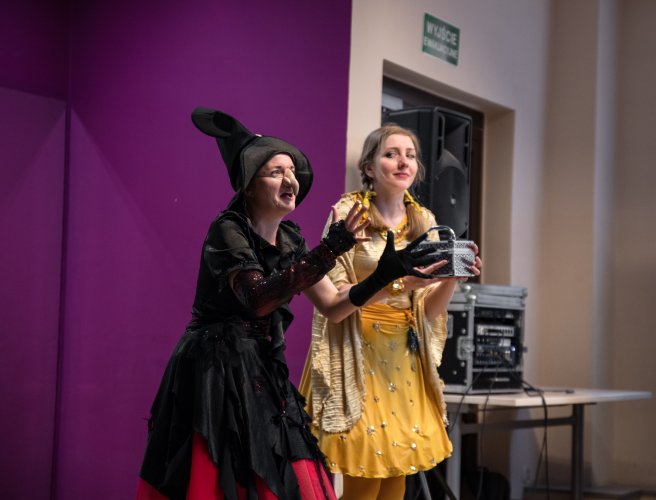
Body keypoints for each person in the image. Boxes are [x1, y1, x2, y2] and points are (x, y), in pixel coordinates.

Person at [136, 109, 439, 500]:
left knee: (293, 474)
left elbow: (333, 304)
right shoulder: (228, 229)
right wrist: (331, 248)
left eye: (293, 171)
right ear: (249, 186)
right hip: (214, 371)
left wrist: (383, 277)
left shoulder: (291, 239)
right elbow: (258, 299)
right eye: (276, 172)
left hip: (261, 366)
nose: (290, 179)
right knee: (222, 480)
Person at [299, 123, 483, 500]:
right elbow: (337, 296)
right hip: (358, 349)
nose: (403, 162)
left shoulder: (424, 221)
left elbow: (427, 313)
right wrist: (398, 285)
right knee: (365, 476)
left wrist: (452, 278)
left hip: (404, 356)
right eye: (391, 154)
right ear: (369, 167)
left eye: (410, 155)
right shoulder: (349, 213)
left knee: (396, 477)